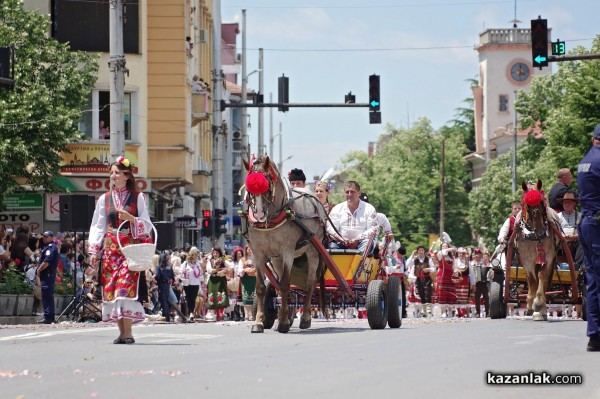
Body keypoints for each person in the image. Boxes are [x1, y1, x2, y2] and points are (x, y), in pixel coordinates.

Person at [88, 156, 151, 344]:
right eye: (111, 173)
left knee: (125, 288)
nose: (113, 176)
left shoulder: (138, 197)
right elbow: (98, 225)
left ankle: (128, 332)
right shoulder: (104, 199)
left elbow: (147, 225)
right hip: (110, 249)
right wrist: (93, 250)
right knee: (112, 290)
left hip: (129, 248)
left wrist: (132, 219)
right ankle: (121, 332)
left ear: (126, 176)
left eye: (117, 173)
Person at [577, 123, 600, 351]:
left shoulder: (585, 160)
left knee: (593, 280)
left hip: (587, 220)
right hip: (597, 224)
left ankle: (595, 336)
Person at [327, 181, 378, 255]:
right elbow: (330, 228)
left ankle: (358, 266)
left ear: (359, 193)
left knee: (367, 244)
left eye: (352, 192)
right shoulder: (337, 209)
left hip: (362, 243)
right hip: (341, 243)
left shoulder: (369, 208)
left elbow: (374, 229)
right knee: (331, 247)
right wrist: (341, 239)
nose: (349, 194)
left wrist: (357, 239)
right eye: (347, 192)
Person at [35, 231, 59, 324]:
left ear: (51, 237)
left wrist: (39, 270)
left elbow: (46, 262)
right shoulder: (47, 247)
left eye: (46, 237)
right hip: (48, 274)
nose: (44, 238)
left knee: (46, 295)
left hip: (47, 274)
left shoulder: (51, 247)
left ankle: (48, 317)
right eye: (43, 237)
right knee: (48, 295)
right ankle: (50, 316)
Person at [557, 192, 584, 269]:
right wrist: (562, 237)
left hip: (575, 242)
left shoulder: (580, 216)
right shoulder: (558, 216)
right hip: (560, 243)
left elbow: (583, 232)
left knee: (582, 240)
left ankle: (577, 265)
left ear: (574, 204)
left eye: (569, 202)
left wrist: (576, 236)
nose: (567, 204)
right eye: (565, 202)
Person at [407, 245, 436, 317]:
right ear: (417, 251)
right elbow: (407, 264)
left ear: (424, 251)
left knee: (427, 292)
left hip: (427, 278)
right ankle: (424, 310)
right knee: (421, 294)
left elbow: (433, 268)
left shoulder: (428, 259)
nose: (421, 252)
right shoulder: (415, 260)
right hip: (419, 279)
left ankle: (429, 310)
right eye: (419, 250)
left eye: (422, 250)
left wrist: (428, 269)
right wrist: (412, 255)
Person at [205, 247, 232, 321]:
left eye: (216, 253)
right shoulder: (210, 261)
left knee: (221, 294)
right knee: (214, 295)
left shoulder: (222, 260)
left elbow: (231, 266)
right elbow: (209, 270)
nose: (215, 254)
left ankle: (221, 313)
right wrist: (216, 270)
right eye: (214, 253)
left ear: (219, 253)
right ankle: (217, 313)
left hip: (221, 280)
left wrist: (225, 271)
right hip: (213, 280)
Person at [180, 246, 203, 321]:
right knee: (188, 298)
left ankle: (191, 313)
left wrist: (201, 280)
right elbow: (180, 271)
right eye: (192, 257)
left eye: (195, 256)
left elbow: (200, 273)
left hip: (195, 283)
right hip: (187, 283)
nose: (194, 258)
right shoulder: (185, 263)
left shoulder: (197, 264)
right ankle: (190, 312)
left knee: (193, 298)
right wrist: (184, 271)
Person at [435, 242, 457, 316]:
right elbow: (442, 252)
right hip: (442, 274)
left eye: (446, 246)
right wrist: (450, 249)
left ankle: (450, 311)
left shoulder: (452, 257)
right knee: (442, 292)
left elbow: (454, 266)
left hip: (450, 274)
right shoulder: (440, 254)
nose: (444, 247)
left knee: (450, 292)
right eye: (443, 246)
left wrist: (455, 272)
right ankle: (443, 311)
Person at [469, 248, 490, 317]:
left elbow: (487, 269)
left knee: (486, 298)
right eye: (476, 254)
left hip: (483, 282)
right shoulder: (471, 263)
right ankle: (477, 312)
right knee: (476, 298)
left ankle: (487, 312)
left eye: (479, 254)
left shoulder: (484, 262)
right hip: (476, 283)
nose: (477, 256)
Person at [155, 252, 175, 322]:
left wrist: (156, 281)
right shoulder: (169, 266)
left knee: (163, 300)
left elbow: (158, 276)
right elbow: (172, 275)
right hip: (167, 284)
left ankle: (166, 316)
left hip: (162, 284)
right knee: (166, 299)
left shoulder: (159, 267)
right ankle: (166, 315)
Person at [453, 247, 471, 317]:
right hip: (457, 280)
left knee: (463, 296)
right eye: (460, 253)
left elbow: (471, 273)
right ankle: (458, 311)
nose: (461, 255)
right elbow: (453, 270)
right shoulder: (455, 261)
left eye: (463, 253)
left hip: (465, 280)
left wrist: (473, 283)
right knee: (457, 296)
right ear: (458, 254)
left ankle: (463, 311)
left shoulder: (467, 262)